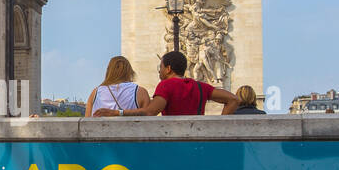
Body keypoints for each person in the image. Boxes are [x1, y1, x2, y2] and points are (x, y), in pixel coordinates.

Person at [93, 51, 240, 117]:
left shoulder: (166, 86)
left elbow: (149, 112)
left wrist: (116, 112)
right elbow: (234, 99)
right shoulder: (201, 86)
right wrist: (221, 122)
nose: (159, 71)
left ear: (168, 69)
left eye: (161, 67)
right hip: (197, 139)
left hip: (174, 140)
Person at [84, 55, 150, 118]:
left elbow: (86, 121)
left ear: (109, 71)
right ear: (129, 71)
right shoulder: (141, 92)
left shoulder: (95, 92)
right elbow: (148, 118)